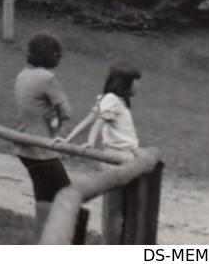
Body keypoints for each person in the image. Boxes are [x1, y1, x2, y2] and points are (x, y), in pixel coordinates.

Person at [64, 63, 143, 243]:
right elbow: (98, 122)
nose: (138, 86)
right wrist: (90, 143)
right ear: (124, 83)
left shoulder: (113, 101)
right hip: (117, 156)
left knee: (121, 207)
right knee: (115, 210)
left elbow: (89, 119)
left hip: (125, 154)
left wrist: (69, 139)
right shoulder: (112, 100)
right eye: (135, 81)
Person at [14, 32, 74, 240]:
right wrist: (56, 119)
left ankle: (40, 241)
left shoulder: (23, 74)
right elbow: (67, 112)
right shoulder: (47, 78)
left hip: (23, 146)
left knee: (44, 196)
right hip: (42, 149)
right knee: (69, 196)